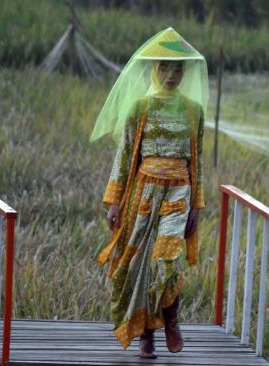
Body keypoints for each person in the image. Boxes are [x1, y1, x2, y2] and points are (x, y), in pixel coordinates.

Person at [90, 27, 208, 359]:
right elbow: (125, 155)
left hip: (179, 192)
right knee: (138, 265)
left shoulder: (193, 111)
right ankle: (146, 336)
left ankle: (171, 320)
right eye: (164, 68)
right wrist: (114, 201)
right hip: (144, 191)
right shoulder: (139, 108)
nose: (171, 75)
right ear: (153, 70)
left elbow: (196, 161)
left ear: (185, 73)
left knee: (165, 262)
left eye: (177, 69)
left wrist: (196, 206)